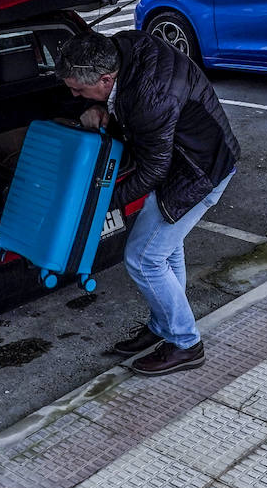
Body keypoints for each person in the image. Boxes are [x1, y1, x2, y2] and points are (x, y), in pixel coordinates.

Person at [57, 28, 239, 376]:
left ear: (107, 78)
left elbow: (153, 169)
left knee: (143, 258)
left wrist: (101, 204)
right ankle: (163, 326)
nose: (75, 95)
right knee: (166, 251)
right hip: (192, 158)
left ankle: (186, 344)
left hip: (199, 172)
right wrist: (103, 110)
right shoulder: (125, 46)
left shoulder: (148, 96)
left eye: (80, 90)